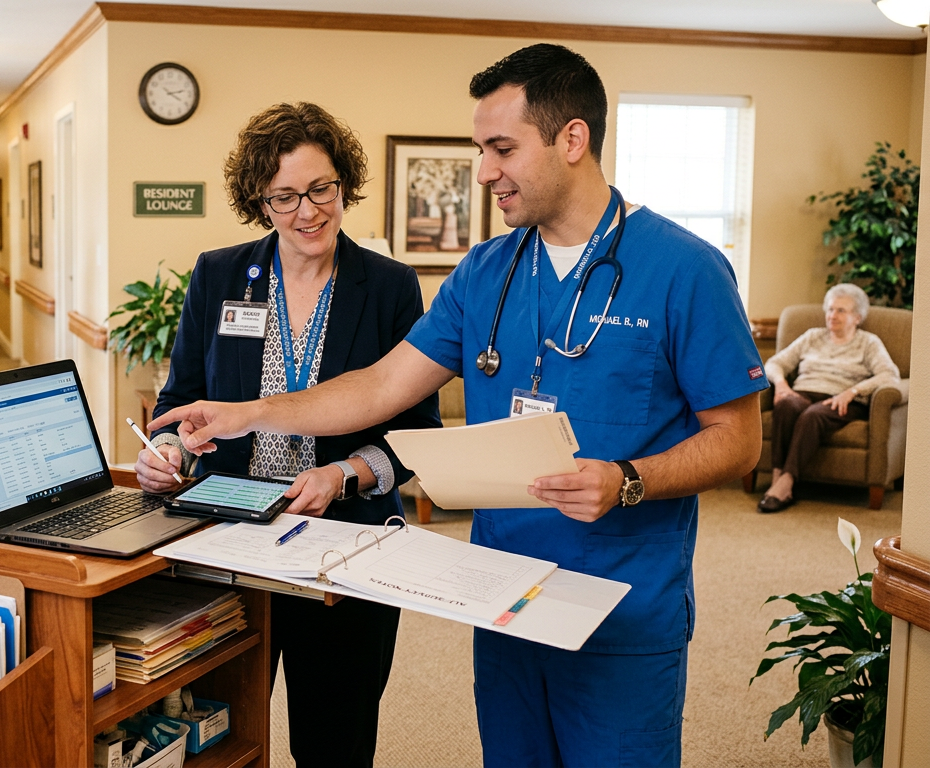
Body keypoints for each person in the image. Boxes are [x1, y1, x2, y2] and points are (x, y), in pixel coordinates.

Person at [149, 45, 767, 767]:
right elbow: (382, 387)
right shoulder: (487, 271)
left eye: (501, 148)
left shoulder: (685, 269)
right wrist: (246, 414)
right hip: (500, 589)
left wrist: (628, 479)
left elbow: (739, 439)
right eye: (481, 149)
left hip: (620, 603)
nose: (484, 171)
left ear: (572, 139)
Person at [137, 101, 440, 768]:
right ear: (259, 200)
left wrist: (345, 473)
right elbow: (183, 399)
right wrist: (167, 450)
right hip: (228, 546)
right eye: (285, 196)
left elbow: (417, 431)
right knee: (221, 732)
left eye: (321, 189)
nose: (308, 212)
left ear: (344, 183)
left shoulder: (388, 287)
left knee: (334, 740)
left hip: (344, 550)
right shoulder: (220, 275)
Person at [758, 283, 900, 512]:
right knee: (785, 404)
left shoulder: (868, 342)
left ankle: (786, 482)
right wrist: (782, 385)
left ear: (857, 317)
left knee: (812, 416)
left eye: (841, 311)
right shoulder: (813, 336)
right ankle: (776, 475)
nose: (832, 315)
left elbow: (889, 374)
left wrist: (853, 392)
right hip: (804, 390)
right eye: (830, 309)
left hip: (841, 399)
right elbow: (775, 363)